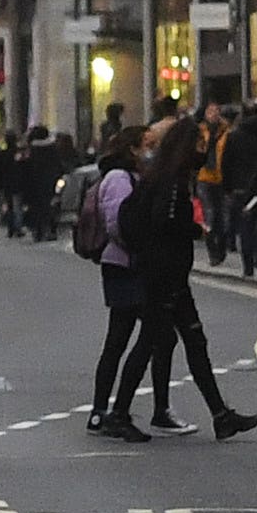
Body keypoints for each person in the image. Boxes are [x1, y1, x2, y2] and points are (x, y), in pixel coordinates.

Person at [112, 106, 257, 439]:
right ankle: (119, 413)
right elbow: (165, 223)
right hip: (164, 276)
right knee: (150, 341)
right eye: (199, 143)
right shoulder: (173, 182)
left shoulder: (164, 176)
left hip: (168, 275)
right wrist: (191, 229)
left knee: (193, 340)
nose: (203, 150)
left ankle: (221, 416)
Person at [80, 122, 149, 441]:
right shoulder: (119, 178)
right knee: (121, 340)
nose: (151, 150)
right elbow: (116, 223)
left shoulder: (130, 176)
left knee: (123, 339)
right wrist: (138, 248)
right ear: (133, 148)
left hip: (127, 264)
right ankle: (105, 412)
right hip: (123, 265)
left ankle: (105, 412)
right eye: (146, 144)